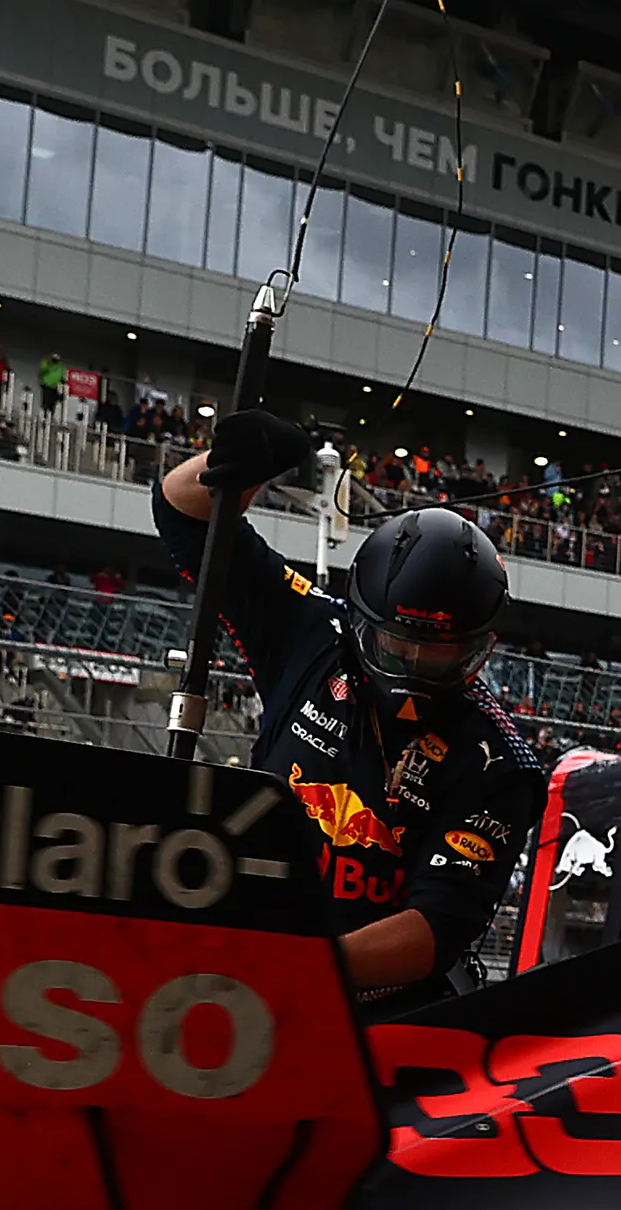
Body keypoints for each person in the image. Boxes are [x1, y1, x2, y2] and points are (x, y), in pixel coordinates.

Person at [156, 405, 545, 1007]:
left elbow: (433, 932)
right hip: (244, 968)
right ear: (361, 617)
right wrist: (239, 466)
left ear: (480, 648)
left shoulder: (501, 763)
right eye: (399, 644)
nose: (414, 666)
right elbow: (183, 512)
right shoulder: (312, 630)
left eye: (438, 654)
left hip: (380, 1007)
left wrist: (297, 965)